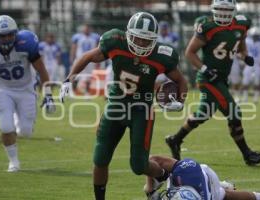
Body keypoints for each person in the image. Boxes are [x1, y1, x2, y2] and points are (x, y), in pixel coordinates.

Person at [60, 12, 188, 200]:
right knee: (100, 158)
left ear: (154, 40)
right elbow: (88, 56)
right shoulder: (115, 42)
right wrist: (68, 79)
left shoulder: (162, 56)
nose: (141, 44)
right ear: (129, 34)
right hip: (116, 105)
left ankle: (163, 175)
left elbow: (181, 80)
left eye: (146, 40)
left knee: (138, 165)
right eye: (137, 38)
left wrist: (180, 101)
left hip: (141, 109)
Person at [165, 0, 260, 165]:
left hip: (222, 78)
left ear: (233, 11)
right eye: (219, 9)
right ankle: (247, 154)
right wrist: (205, 69)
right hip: (208, 79)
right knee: (234, 112)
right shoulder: (207, 26)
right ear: (213, 10)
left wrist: (245, 56)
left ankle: (175, 139)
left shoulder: (241, 25)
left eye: (226, 9)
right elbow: (190, 53)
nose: (223, 13)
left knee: (203, 114)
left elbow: (240, 45)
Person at [0, 15, 56, 172]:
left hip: (26, 89)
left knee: (25, 132)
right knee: (6, 127)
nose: (7, 39)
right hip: (3, 89)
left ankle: (16, 119)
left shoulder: (25, 43)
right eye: (2, 36)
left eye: (10, 35)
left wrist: (48, 95)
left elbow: (41, 69)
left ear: (16, 33)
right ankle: (13, 162)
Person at [144, 155, 260, 200]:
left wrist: (150, 190)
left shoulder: (187, 170)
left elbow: (152, 159)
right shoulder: (188, 171)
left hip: (204, 177)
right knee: (226, 194)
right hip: (208, 185)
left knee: (225, 193)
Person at [70, 24, 100, 95]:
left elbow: (97, 48)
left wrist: (97, 60)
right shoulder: (77, 37)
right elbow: (74, 48)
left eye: (88, 28)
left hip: (90, 60)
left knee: (88, 77)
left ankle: (87, 92)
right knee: (75, 75)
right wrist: (72, 57)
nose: (86, 30)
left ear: (90, 29)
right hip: (79, 59)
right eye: (85, 28)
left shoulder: (95, 37)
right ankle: (72, 91)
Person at [241, 27, 260, 103]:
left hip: (258, 64)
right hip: (249, 63)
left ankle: (256, 98)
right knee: (245, 81)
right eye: (254, 36)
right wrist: (244, 60)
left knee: (257, 81)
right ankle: (245, 97)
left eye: (256, 36)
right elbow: (244, 51)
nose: (255, 37)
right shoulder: (247, 41)